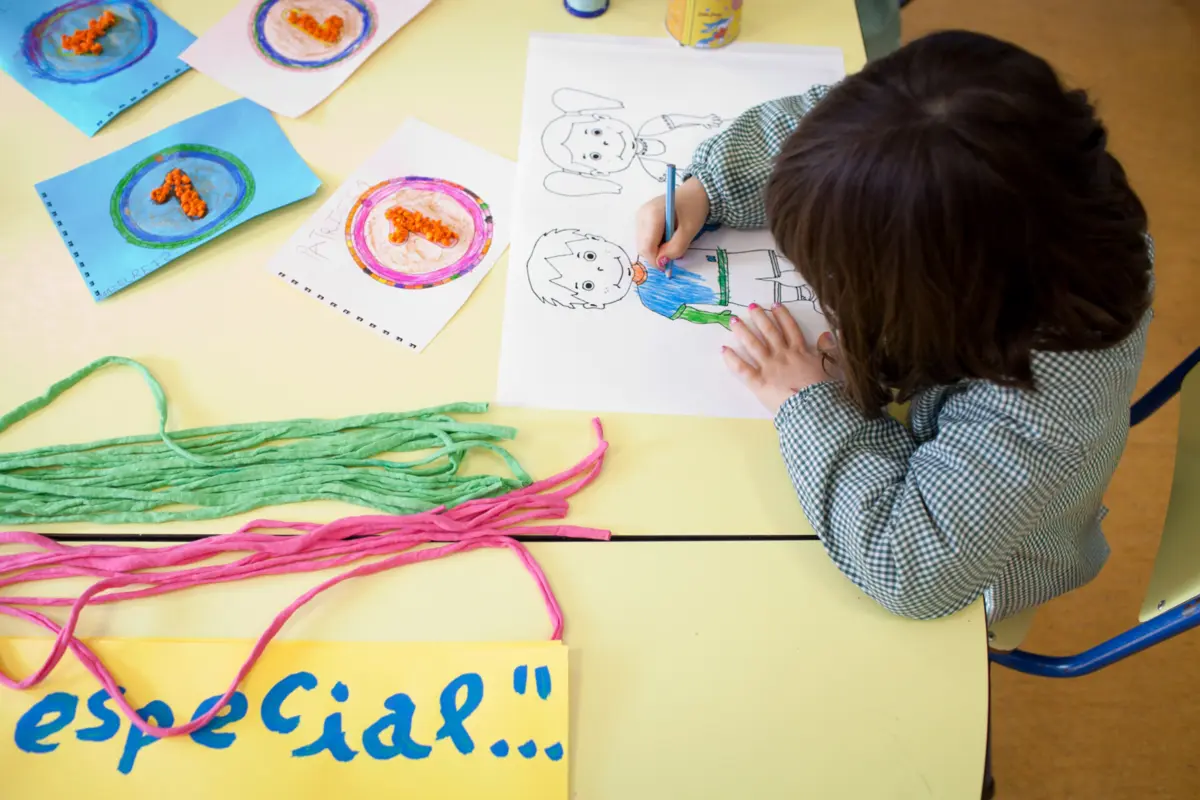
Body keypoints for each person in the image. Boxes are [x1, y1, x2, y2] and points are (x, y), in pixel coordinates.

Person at [634, 30, 1154, 626]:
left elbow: (909, 567)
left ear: (933, 301)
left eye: (838, 277)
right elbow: (835, 130)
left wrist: (808, 401)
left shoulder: (1040, 404)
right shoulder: (1014, 162)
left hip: (988, 561)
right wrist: (711, 188)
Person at [525, 228, 821, 328]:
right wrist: (718, 319)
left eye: (590, 256)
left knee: (773, 264)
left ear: (595, 239)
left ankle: (816, 271)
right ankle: (811, 295)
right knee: (775, 295)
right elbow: (686, 313)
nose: (603, 270)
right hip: (725, 295)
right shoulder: (650, 299)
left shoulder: (653, 248)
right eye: (587, 286)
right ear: (594, 303)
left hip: (726, 260)